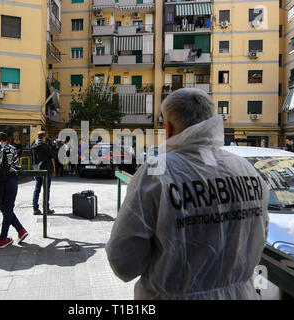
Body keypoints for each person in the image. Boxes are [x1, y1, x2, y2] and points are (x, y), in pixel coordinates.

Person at [106, 88, 270, 300]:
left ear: (168, 127)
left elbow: (124, 261)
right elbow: (261, 234)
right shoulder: (247, 170)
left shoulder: (156, 172)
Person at [0, 132, 28, 249]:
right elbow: (18, 167)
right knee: (8, 209)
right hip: (10, 181)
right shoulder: (12, 149)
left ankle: (5, 237)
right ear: (6, 141)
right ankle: (18, 231)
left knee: (5, 209)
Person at [31, 131, 56, 215]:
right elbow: (54, 155)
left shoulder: (33, 145)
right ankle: (46, 209)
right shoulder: (44, 146)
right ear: (44, 137)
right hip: (46, 170)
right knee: (46, 190)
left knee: (37, 189)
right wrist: (53, 147)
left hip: (37, 170)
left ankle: (35, 209)